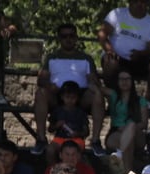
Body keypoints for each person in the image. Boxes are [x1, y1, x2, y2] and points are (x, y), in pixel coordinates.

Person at [31, 24, 106, 157]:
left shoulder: (86, 58)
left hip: (80, 95)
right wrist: (49, 86)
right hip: (57, 95)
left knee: (97, 94)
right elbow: (41, 80)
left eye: (71, 35)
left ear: (76, 38)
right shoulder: (51, 57)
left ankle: (95, 141)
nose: (68, 39)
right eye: (64, 36)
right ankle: (41, 139)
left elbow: (94, 80)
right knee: (40, 93)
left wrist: (93, 84)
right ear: (59, 38)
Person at [98, 0, 150, 103]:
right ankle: (115, 100)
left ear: (147, 4)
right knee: (110, 62)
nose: (139, 4)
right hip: (116, 58)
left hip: (138, 60)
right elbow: (102, 34)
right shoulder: (117, 14)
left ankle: (146, 101)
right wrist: (109, 50)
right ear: (130, 2)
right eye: (136, 1)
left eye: (143, 2)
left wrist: (141, 54)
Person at [102, 72, 149, 174]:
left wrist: (128, 129)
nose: (124, 82)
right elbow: (98, 88)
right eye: (121, 79)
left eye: (127, 79)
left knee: (131, 126)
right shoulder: (114, 96)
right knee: (129, 141)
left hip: (137, 133)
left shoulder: (141, 101)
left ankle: (120, 155)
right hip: (116, 132)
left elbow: (144, 123)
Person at [45, 80, 89, 166]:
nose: (70, 100)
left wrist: (78, 134)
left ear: (77, 98)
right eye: (67, 97)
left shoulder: (80, 112)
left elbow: (86, 131)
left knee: (76, 152)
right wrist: (57, 125)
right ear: (62, 97)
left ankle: (76, 171)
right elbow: (50, 129)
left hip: (76, 140)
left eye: (73, 98)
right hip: (59, 139)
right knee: (50, 150)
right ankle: (54, 170)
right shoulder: (57, 111)